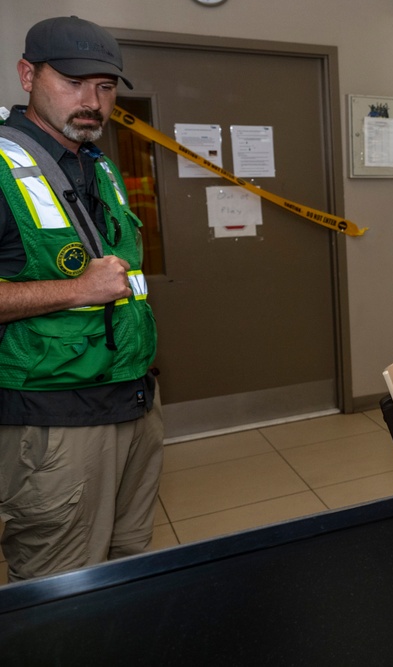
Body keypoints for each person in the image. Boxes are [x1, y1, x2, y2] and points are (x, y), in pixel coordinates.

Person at [0, 16, 162, 581]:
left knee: (129, 569)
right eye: (73, 82)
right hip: (57, 419)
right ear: (27, 75)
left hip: (133, 400)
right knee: (64, 588)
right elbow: (91, 287)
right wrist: (77, 289)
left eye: (106, 86)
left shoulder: (99, 165)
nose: (92, 101)